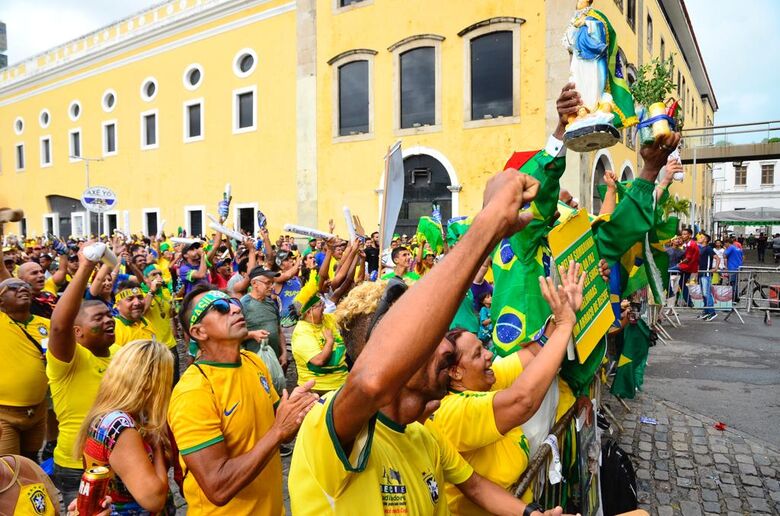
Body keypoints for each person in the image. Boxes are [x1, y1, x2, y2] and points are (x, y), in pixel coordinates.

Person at [289, 168, 568, 515]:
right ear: (394, 353)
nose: (447, 347)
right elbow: (370, 382)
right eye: (427, 340)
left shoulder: (426, 437)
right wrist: (488, 224)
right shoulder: (325, 429)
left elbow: (476, 486)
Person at [427, 262, 583, 514]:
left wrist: (562, 315)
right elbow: (523, 400)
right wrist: (565, 325)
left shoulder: (484, 379)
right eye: (478, 354)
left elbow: (534, 353)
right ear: (455, 372)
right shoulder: (453, 412)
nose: (489, 355)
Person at [168, 286, 318, 514]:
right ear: (198, 332)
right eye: (220, 308)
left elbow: (282, 424)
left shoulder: (252, 361)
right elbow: (218, 487)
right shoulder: (194, 392)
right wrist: (278, 432)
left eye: (233, 303)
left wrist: (296, 411)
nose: (235, 309)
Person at [47, 250, 115, 510]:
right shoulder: (69, 360)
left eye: (109, 315)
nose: (109, 320)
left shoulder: (121, 354)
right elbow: (59, 327)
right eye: (98, 318)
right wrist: (86, 265)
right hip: (78, 467)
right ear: (77, 332)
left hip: (117, 462)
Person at [77, 340, 173, 514]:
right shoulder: (121, 428)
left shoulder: (109, 415)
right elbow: (154, 499)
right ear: (148, 383)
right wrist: (158, 446)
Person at [0, 279, 49, 459]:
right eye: (13, 288)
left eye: (26, 287)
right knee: (7, 468)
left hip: (38, 409)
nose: (22, 288)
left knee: (30, 461)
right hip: (3, 414)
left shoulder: (46, 324)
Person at [241, 267, 288, 395]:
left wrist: (283, 352)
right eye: (267, 283)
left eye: (272, 282)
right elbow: (232, 335)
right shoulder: (243, 304)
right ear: (254, 284)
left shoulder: (271, 302)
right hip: (254, 363)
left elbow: (278, 330)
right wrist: (252, 334)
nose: (271, 286)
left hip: (274, 360)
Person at [141, 265, 179, 382]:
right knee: (160, 382)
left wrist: (173, 309)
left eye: (160, 274)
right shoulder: (141, 294)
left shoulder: (165, 292)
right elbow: (142, 311)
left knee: (174, 379)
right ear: (146, 279)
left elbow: (170, 315)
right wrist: (151, 291)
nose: (158, 277)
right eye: (154, 275)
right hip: (155, 347)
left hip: (170, 344)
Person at [112, 280, 156, 351]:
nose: (137, 303)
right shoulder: (114, 329)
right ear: (118, 305)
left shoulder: (147, 323)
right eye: (130, 299)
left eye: (140, 298)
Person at [676, 228, 700, 306]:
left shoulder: (691, 244)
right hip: (687, 267)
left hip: (687, 267)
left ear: (690, 235)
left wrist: (679, 264)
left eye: (685, 234)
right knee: (681, 284)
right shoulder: (687, 244)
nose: (683, 236)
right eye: (682, 234)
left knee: (681, 283)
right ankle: (689, 302)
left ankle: (689, 302)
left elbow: (688, 258)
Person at [697, 233, 717, 321]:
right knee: (704, 294)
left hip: (706, 273)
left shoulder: (708, 248)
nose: (700, 238)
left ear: (705, 240)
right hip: (701, 273)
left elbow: (717, 258)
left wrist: (715, 268)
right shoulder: (700, 248)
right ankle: (706, 312)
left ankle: (712, 312)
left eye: (702, 237)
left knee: (706, 293)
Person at [724, 237, 744, 302]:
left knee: (732, 283)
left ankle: (732, 298)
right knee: (736, 283)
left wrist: (725, 249)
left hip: (732, 267)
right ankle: (736, 297)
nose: (725, 245)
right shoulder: (738, 248)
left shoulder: (731, 248)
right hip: (738, 267)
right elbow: (743, 257)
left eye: (725, 244)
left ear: (728, 243)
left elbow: (724, 255)